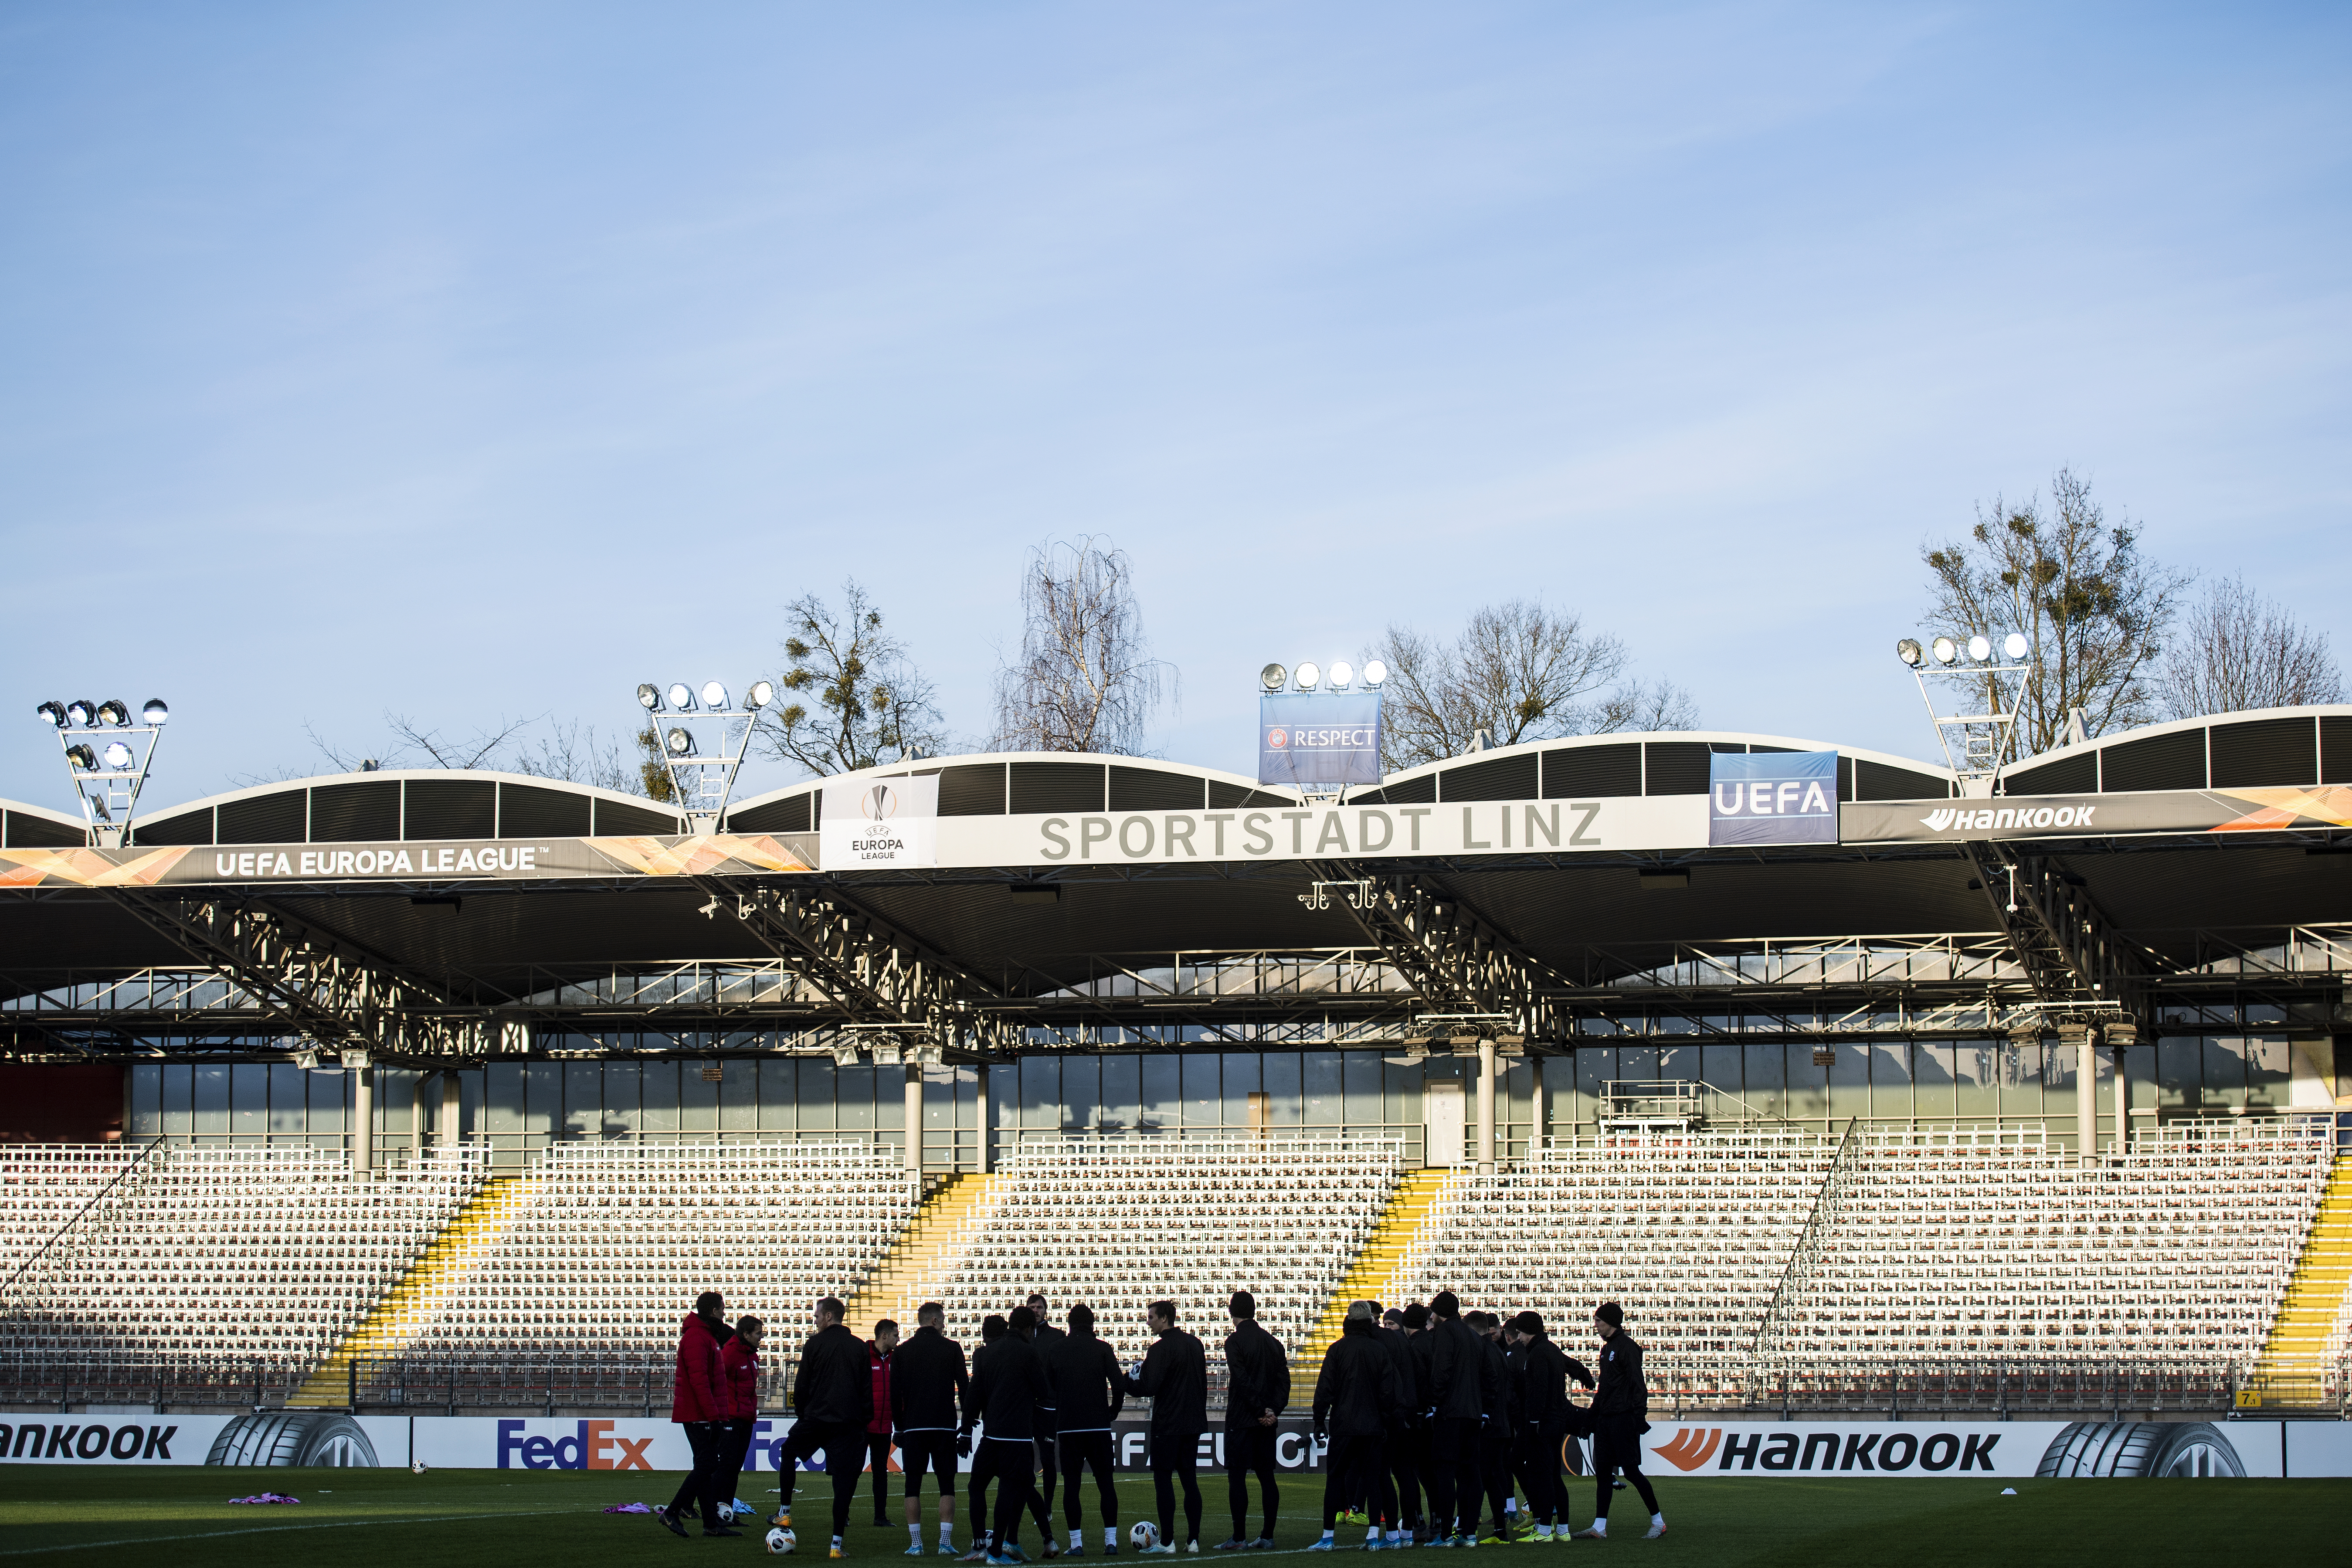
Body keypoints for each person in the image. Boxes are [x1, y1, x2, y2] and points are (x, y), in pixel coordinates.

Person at [775, 1296, 877, 1559]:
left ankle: (784, 1513)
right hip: (849, 1425)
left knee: (787, 1452)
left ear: (829, 1316)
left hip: (817, 1420)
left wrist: (804, 1415)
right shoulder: (859, 1347)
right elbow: (868, 1390)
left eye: (818, 1316)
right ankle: (835, 1546)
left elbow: (802, 1385)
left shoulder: (814, 1344)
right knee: (844, 1484)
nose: (815, 1319)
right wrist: (863, 1421)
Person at [964, 1305, 1056, 1565]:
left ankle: (980, 1545)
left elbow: (973, 1395)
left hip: (990, 1435)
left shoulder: (986, 1354)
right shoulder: (1028, 1352)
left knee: (976, 1487)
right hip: (1017, 1437)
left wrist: (966, 1430)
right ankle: (996, 1552)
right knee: (1009, 1490)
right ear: (1029, 1329)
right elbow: (1043, 1390)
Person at [1308, 1302, 1399, 1553]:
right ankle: (1372, 1536)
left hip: (1344, 1425)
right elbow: (1388, 1393)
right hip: (1372, 1427)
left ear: (1348, 1321)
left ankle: (1327, 1537)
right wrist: (1384, 1420)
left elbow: (1324, 1388)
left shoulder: (1337, 1349)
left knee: (1335, 1479)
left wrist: (1319, 1420)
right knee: (1373, 1480)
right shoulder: (1379, 1350)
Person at [1571, 1304, 1661, 1542]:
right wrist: (1591, 1419)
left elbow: (1637, 1384)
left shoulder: (1628, 1348)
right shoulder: (1606, 1350)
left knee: (1632, 1472)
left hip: (1623, 1418)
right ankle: (1599, 1527)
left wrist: (1638, 1417)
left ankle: (1658, 1522)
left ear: (1611, 1322)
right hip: (1606, 1420)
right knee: (1602, 1473)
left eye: (1599, 1321)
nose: (1596, 1325)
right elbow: (1604, 1389)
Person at [1124, 1299, 1207, 1553]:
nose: (1147, 1321)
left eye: (1151, 1317)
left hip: (1168, 1425)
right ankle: (1193, 1540)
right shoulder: (1195, 1344)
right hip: (1192, 1423)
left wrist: (1125, 1381)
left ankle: (1168, 1541)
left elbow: (1148, 1386)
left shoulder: (1159, 1349)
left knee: (1163, 1481)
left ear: (1164, 1318)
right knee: (1189, 1480)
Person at [893, 1302, 971, 1558]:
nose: (945, 1323)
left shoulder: (903, 1352)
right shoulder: (952, 1348)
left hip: (914, 1428)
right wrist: (967, 1427)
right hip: (944, 1427)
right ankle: (944, 1542)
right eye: (944, 1319)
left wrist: (899, 1428)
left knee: (912, 1485)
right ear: (935, 1321)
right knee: (947, 1485)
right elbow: (965, 1391)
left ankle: (916, 1544)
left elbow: (895, 1395)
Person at [1048, 1303, 1126, 1556]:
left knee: (1072, 1486)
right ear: (1092, 1324)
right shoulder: (1102, 1348)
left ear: (1069, 1324)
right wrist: (1113, 1410)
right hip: (1097, 1426)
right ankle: (1111, 1542)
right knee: (1106, 1484)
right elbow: (1118, 1383)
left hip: (1069, 1428)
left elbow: (1046, 1389)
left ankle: (1076, 1544)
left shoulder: (1057, 1349)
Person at [660, 1290, 739, 1538]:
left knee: (705, 1467)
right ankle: (672, 1512)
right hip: (699, 1414)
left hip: (702, 1413)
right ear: (714, 1311)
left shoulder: (704, 1335)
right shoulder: (698, 1337)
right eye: (723, 1308)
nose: (725, 1313)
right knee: (707, 1465)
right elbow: (700, 1382)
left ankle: (710, 1525)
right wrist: (714, 1417)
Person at [1216, 1290, 1288, 1551]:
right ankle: (1267, 1536)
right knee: (1267, 1477)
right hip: (1265, 1421)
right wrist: (1273, 1411)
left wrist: (1259, 1411)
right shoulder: (1274, 1343)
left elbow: (1242, 1380)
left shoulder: (1235, 1342)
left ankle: (1239, 1537)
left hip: (1242, 1418)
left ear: (1232, 1313)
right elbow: (1284, 1382)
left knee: (1237, 1478)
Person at [1504, 1311, 1586, 1541]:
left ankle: (1543, 1530)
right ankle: (1563, 1530)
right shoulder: (1551, 1350)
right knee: (1553, 1476)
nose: (1518, 1337)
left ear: (1528, 1331)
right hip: (1555, 1421)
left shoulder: (1538, 1353)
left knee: (1543, 1476)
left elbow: (1538, 1391)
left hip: (1543, 1424)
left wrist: (1533, 1422)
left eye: (1520, 1332)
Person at [1423, 1291, 1495, 1548]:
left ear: (1439, 1313)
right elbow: (1488, 1376)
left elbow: (1441, 1370)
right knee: (1470, 1473)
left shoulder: (1446, 1333)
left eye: (1433, 1313)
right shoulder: (1474, 1336)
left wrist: (1434, 1402)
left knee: (1445, 1472)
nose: (1431, 1317)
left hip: (1451, 1413)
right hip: (1473, 1414)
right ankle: (1469, 1532)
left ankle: (1445, 1534)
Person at [1375, 1304, 1426, 1548]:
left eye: (1390, 1323)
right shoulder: (1409, 1345)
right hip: (1409, 1416)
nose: (1386, 1327)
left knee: (1384, 1475)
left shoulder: (1384, 1346)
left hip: (1390, 1417)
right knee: (1406, 1475)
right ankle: (1407, 1530)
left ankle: (1394, 1534)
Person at [1469, 1312, 1518, 1544]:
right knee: (1492, 1477)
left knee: (1481, 1476)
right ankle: (1500, 1530)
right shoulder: (1496, 1351)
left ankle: (1470, 1527)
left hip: (1489, 1425)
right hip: (1500, 1424)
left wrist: (1483, 1415)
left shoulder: (1482, 1352)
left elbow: (1488, 1388)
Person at [718, 1315, 767, 1523]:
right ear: (746, 1334)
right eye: (758, 1334)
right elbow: (716, 1381)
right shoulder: (729, 1353)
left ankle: (725, 1512)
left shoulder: (752, 1357)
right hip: (730, 1418)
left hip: (745, 1418)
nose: (761, 1338)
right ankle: (716, 1511)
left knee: (735, 1467)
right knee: (727, 1466)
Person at [1027, 1294, 1068, 1537]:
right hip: (1023, 1406)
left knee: (1047, 1458)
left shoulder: (1056, 1337)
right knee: (1022, 1458)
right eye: (1032, 1307)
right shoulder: (1020, 1336)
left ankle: (1048, 1508)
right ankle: (1027, 1504)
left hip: (1048, 1407)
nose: (1036, 1311)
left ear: (1046, 1311)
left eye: (1039, 1307)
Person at [869, 1320, 903, 1529]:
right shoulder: (863, 1356)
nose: (898, 1339)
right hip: (863, 1425)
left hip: (884, 1427)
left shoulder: (896, 1359)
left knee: (881, 1473)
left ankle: (880, 1517)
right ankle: (843, 1515)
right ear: (884, 1336)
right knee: (852, 1471)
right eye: (895, 1335)